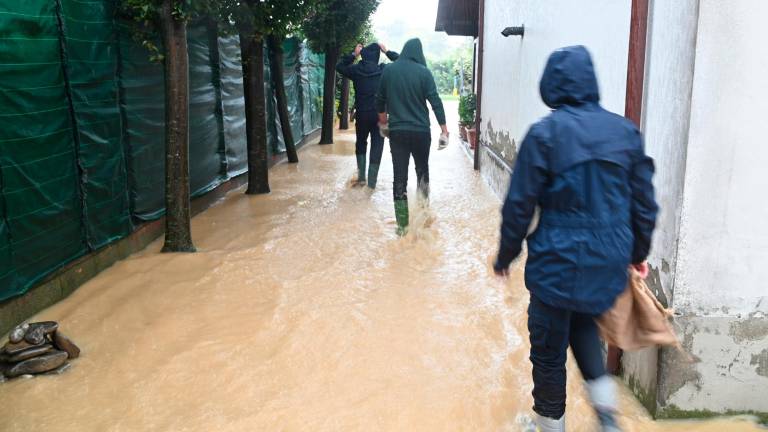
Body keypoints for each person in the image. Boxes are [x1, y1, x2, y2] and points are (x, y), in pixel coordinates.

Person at [493, 46, 658, 432]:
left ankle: (551, 427)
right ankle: (609, 422)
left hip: (556, 267)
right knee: (585, 331)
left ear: (551, 85)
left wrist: (505, 256)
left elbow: (519, 206)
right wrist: (637, 253)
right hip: (606, 268)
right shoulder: (625, 132)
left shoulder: (544, 134)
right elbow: (645, 204)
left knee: (549, 352)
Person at [376, 38, 448, 236]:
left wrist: (383, 124)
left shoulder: (389, 71)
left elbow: (380, 100)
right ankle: (423, 219)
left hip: (397, 133)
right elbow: (436, 102)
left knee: (399, 178)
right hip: (421, 133)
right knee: (422, 173)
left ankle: (402, 228)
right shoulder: (424, 72)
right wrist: (444, 130)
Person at [336, 42, 399, 188]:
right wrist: (387, 51)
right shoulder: (384, 70)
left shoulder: (356, 70)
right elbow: (403, 62)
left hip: (362, 115)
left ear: (363, 55)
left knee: (361, 143)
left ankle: (361, 178)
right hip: (380, 116)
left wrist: (353, 54)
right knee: (377, 145)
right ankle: (372, 183)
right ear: (378, 55)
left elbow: (339, 66)